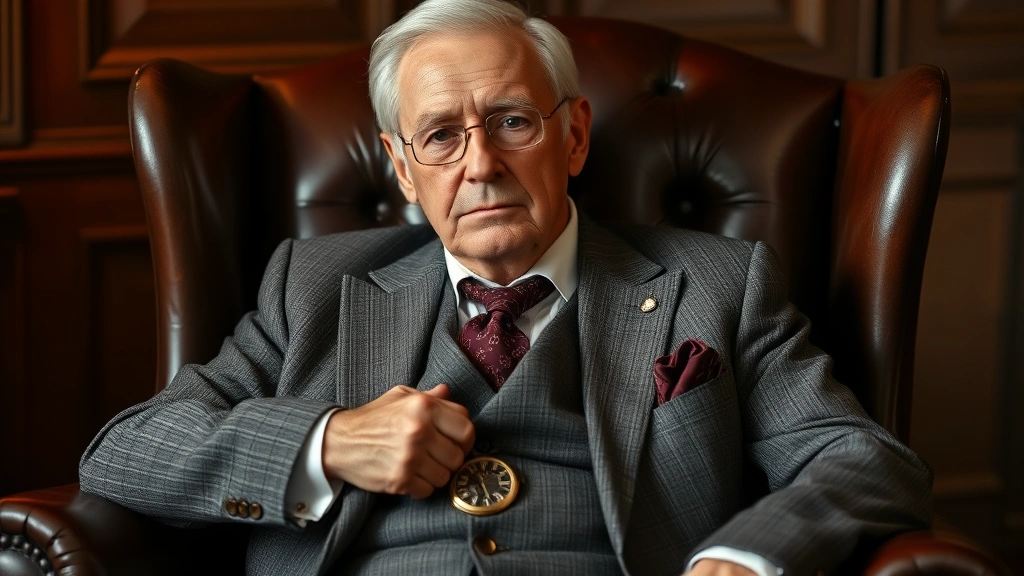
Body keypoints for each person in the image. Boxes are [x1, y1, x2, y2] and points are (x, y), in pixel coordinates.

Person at [78, 0, 933, 574]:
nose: (480, 165)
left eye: (512, 122)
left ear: (573, 135)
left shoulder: (717, 283)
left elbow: (863, 460)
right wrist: (328, 443)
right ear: (402, 170)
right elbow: (125, 453)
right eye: (442, 136)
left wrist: (742, 561)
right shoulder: (315, 286)